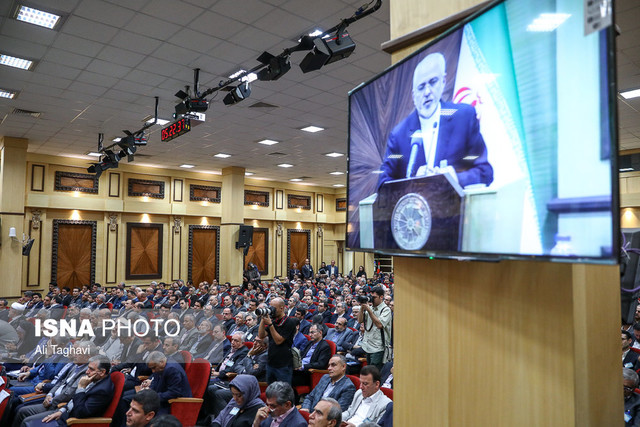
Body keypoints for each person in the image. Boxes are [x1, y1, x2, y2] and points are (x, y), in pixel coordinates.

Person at [376, 52, 493, 190]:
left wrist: (455, 178)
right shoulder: (398, 135)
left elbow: (485, 172)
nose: (427, 92)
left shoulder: (464, 117)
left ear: (443, 82)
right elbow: (382, 185)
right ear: (413, 95)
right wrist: (412, 182)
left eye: (433, 82)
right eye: (421, 87)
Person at [258, 298, 297, 384]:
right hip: (271, 362)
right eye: (270, 307)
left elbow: (278, 341)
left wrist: (270, 324)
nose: (271, 310)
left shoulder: (289, 322)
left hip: (283, 365)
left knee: (283, 390)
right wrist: (263, 319)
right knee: (271, 389)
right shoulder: (274, 321)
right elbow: (261, 335)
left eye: (274, 308)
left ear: (281, 308)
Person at [359, 287, 392, 370]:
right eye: (371, 297)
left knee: (374, 371)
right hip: (368, 345)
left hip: (378, 347)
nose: (372, 299)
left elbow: (379, 325)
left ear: (381, 297)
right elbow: (360, 320)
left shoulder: (386, 310)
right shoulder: (370, 308)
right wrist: (362, 308)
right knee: (369, 371)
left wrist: (369, 311)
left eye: (374, 297)